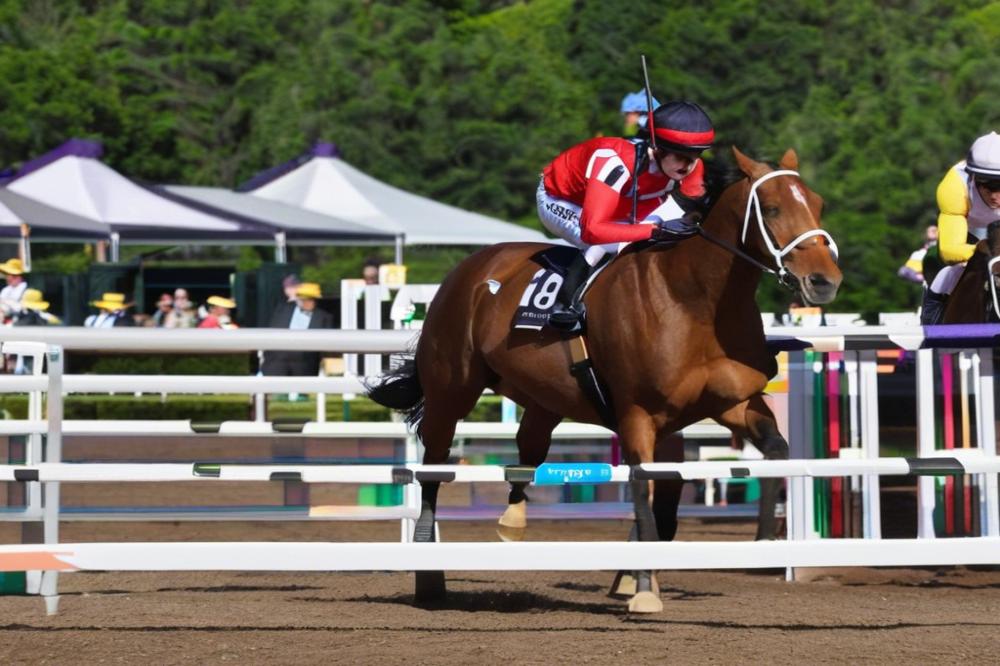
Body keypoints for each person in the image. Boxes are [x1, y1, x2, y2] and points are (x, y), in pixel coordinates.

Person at [537, 100, 714, 329]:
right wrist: (655, 230)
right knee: (604, 242)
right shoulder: (615, 162)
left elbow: (691, 213)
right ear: (658, 148)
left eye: (695, 155)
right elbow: (594, 230)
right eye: (680, 156)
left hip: (625, 201)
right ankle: (563, 304)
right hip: (560, 199)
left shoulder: (691, 167)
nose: (688, 165)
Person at [921, 131, 1000, 324]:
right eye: (986, 186)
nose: (995, 196)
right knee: (954, 270)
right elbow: (950, 250)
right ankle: (931, 319)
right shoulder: (955, 186)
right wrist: (979, 248)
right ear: (973, 177)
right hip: (970, 229)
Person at [261, 282, 335, 376]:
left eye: (309, 299)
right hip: (279, 358)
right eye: (302, 298)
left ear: (315, 300)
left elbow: (327, 344)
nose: (305, 302)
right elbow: (272, 333)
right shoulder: (282, 310)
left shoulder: (324, 317)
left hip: (304, 361)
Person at [0, 257, 29, 323]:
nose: (7, 277)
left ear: (18, 276)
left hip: (19, 320)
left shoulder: (26, 289)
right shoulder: (6, 289)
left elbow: (21, 308)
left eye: (8, 274)